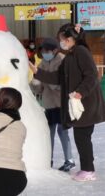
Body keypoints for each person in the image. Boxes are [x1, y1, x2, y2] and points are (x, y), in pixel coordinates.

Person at [29, 24, 105, 182]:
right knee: (82, 137)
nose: (61, 43)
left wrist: (81, 92)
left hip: (85, 103)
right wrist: (38, 72)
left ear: (70, 39)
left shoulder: (80, 51)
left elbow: (92, 75)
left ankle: (88, 170)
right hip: (78, 102)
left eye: (62, 39)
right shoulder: (71, 54)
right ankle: (87, 168)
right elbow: (58, 77)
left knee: (82, 137)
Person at [30, 38, 75, 172]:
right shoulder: (43, 62)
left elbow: (61, 83)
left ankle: (69, 159)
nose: (44, 53)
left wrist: (45, 80)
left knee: (63, 131)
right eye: (43, 51)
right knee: (48, 132)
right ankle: (47, 159)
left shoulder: (63, 60)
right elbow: (38, 83)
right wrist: (34, 84)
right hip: (49, 103)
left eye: (46, 50)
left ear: (55, 50)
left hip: (62, 103)